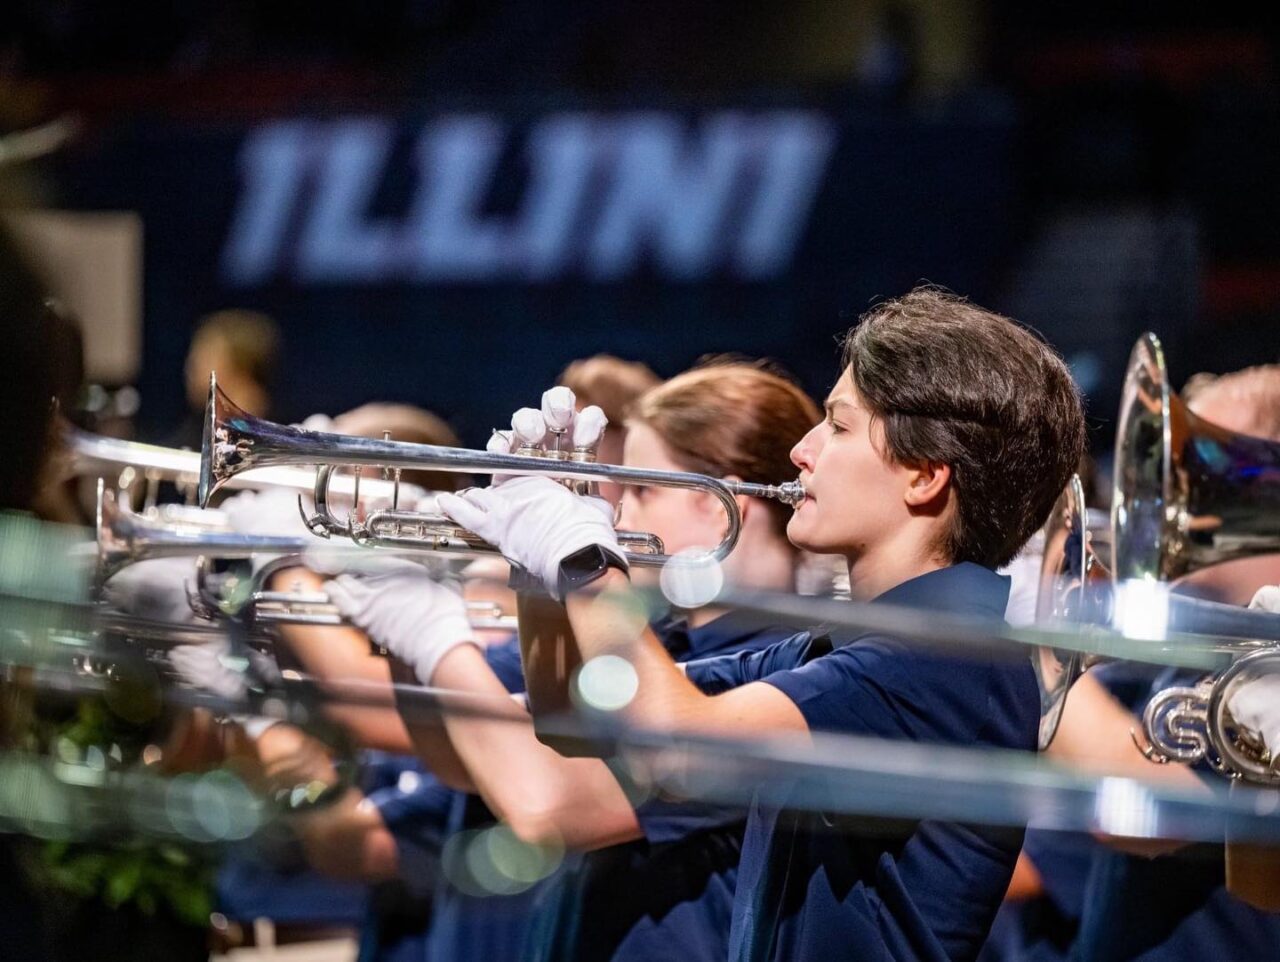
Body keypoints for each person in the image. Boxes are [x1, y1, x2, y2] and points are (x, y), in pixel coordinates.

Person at [339, 287, 1087, 961]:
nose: (803, 451)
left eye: (837, 426)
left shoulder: (945, 651)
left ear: (925, 475)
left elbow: (682, 756)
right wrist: (541, 577)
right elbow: (575, 726)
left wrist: (584, 562)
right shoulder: (852, 642)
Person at [323, 361, 822, 961]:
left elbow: (546, 806)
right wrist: (525, 575)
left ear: (719, 507)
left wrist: (436, 636)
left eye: (641, 490)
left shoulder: (777, 669)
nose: (619, 515)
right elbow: (468, 759)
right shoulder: (665, 643)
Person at [166, 309, 280, 451]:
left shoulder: (288, 433)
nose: (191, 367)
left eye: (206, 357)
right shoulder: (185, 441)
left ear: (242, 366)